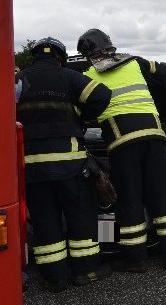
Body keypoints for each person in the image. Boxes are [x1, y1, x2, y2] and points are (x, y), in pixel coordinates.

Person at [77, 28, 166, 272]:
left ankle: (135, 259)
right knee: (160, 196)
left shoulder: (89, 75)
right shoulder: (136, 63)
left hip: (123, 144)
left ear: (87, 54)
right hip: (156, 139)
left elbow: (83, 110)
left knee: (129, 200)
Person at [16, 37, 113, 291]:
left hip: (32, 166)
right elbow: (102, 95)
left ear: (33, 57)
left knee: (45, 221)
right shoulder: (68, 77)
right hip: (70, 164)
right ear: (61, 58)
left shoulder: (17, 81)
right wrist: (82, 115)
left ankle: (55, 277)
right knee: (80, 216)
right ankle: (86, 271)